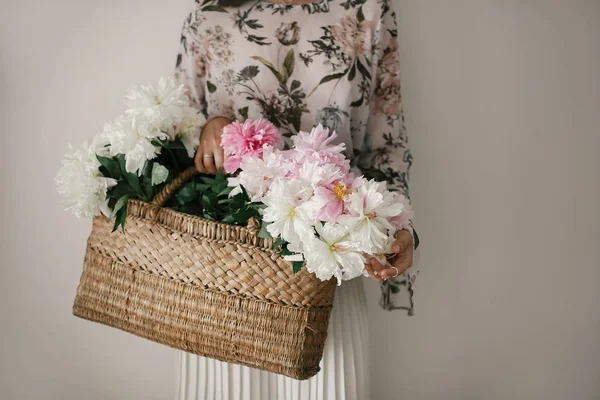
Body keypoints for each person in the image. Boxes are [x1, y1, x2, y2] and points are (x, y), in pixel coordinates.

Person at [174, 0, 420, 398]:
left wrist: (400, 227)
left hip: (328, 268)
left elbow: (385, 143)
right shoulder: (210, 16)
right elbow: (170, 142)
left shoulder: (367, 12)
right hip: (220, 280)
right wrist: (208, 129)